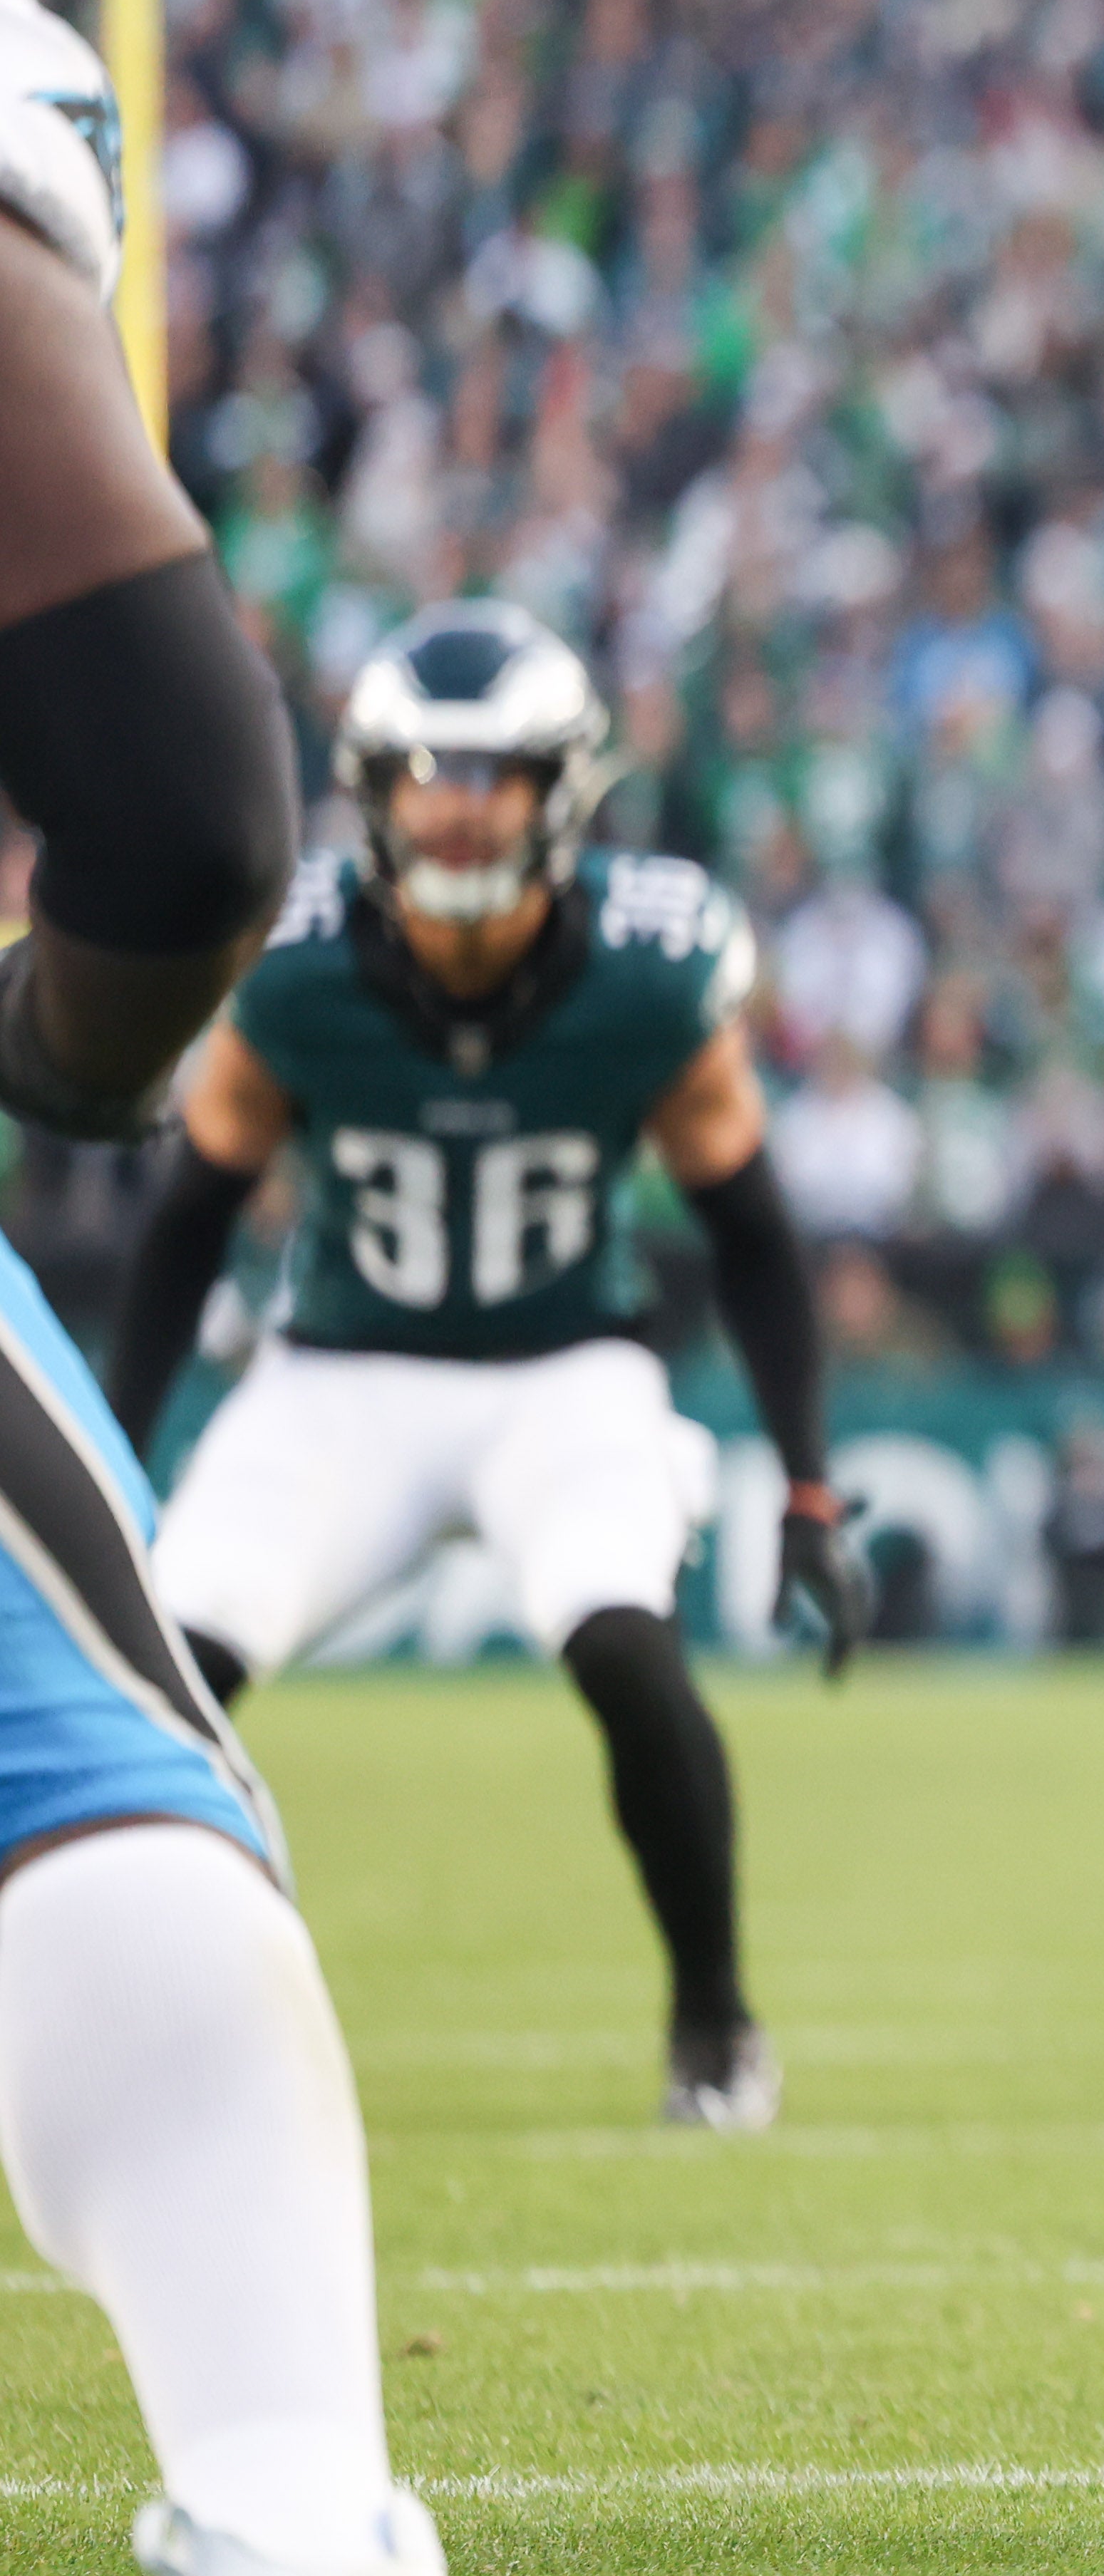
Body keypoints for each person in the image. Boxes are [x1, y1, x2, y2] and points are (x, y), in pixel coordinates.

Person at [0, 0, 529, 2576]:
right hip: (365, 1381)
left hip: (532, 1387)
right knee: (97, 1775)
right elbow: (190, 805)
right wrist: (52, 1050)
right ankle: (296, 2541)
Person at [103, 596, 866, 2134]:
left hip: (561, 1375)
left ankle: (714, 2025)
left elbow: (758, 1240)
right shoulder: (292, 963)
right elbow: (186, 1230)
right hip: (338, 1381)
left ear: (561, 792)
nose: (456, 813)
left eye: (493, 777)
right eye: (425, 777)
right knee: (164, 1679)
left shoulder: (652, 970)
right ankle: (117, 2036)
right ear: (372, 791)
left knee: (624, 1649)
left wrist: (807, 1483)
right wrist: (114, 1469)